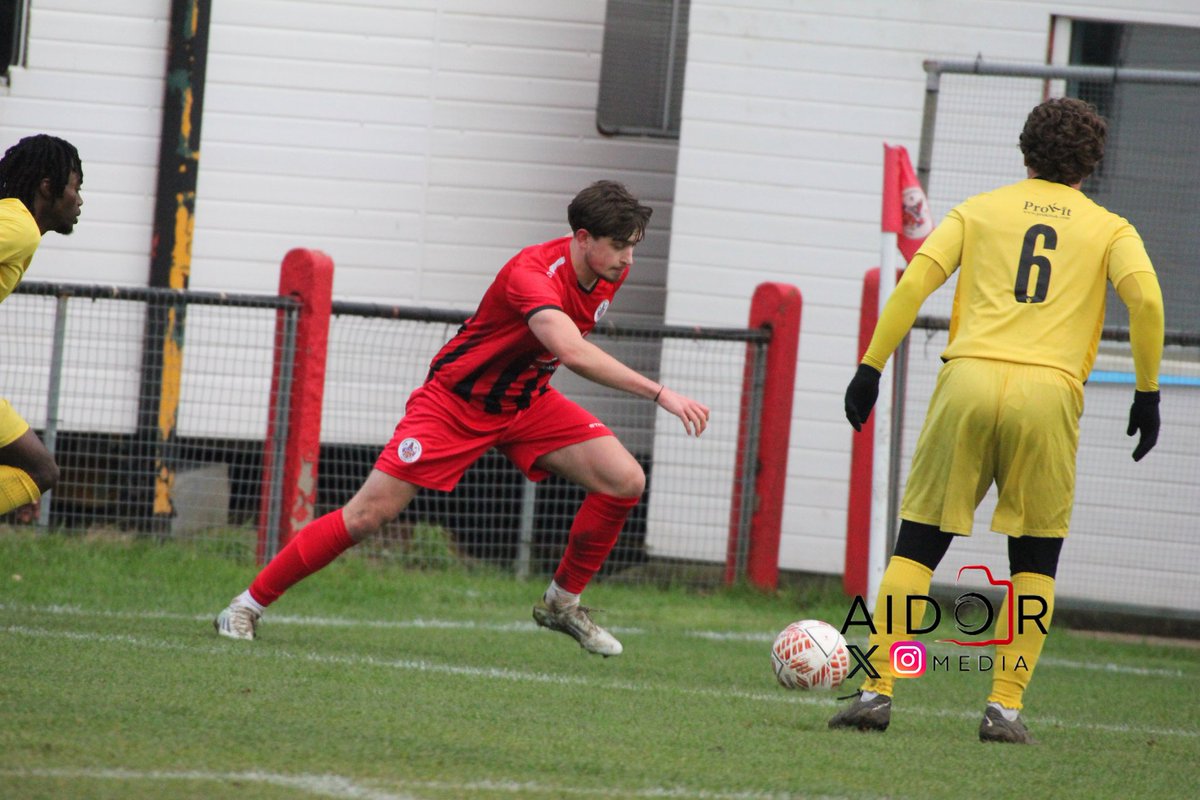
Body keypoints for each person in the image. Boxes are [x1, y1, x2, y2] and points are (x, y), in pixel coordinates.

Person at [215, 180, 710, 655]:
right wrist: (660, 392)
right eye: (621, 245)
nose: (630, 259)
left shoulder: (609, 272)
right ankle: (244, 606)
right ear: (583, 239)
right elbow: (571, 351)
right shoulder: (531, 273)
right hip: (455, 404)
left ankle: (562, 603)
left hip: (526, 403)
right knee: (369, 515)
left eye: (633, 246)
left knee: (625, 480)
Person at [828, 98, 1164, 743]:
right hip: (1049, 394)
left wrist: (871, 366)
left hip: (969, 381)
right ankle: (1003, 710)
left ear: (1025, 152)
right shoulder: (1111, 229)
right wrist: (1146, 392)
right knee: (1034, 559)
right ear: (1091, 165)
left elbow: (913, 283)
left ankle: (876, 692)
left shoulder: (977, 211)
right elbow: (1145, 299)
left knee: (918, 546)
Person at [0, 135, 84, 518]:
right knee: (41, 469)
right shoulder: (20, 226)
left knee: (40, 469)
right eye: (75, 187)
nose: (79, 200)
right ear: (48, 187)